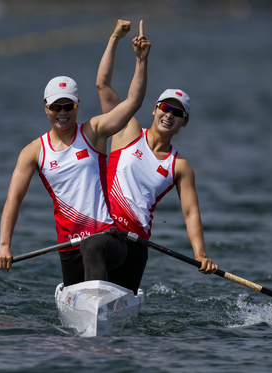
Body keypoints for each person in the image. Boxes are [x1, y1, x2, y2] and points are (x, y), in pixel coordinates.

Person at [0, 21, 151, 291]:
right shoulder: (33, 151)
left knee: (93, 244)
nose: (62, 112)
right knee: (81, 264)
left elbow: (133, 102)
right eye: (56, 106)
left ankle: (98, 305)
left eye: (68, 105)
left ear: (77, 106)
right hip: (68, 246)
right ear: (46, 108)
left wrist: (140, 61)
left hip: (109, 239)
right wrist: (4, 246)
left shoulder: (94, 132)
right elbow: (14, 199)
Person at [96, 20, 218, 292]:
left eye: (178, 113)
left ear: (183, 123)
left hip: (137, 244)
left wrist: (200, 255)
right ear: (154, 110)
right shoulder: (126, 130)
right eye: (165, 107)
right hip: (103, 235)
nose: (169, 115)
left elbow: (190, 212)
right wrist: (116, 39)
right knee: (97, 257)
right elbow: (103, 85)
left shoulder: (180, 166)